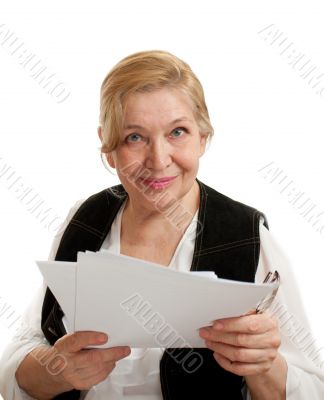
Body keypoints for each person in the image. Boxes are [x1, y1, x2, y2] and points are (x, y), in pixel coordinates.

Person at [0, 50, 323, 400]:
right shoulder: (84, 221)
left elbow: (313, 390)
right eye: (134, 137)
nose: (158, 160)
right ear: (108, 148)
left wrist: (265, 366)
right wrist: (56, 369)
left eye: (177, 132)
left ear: (203, 138)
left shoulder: (248, 236)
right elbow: (21, 355)